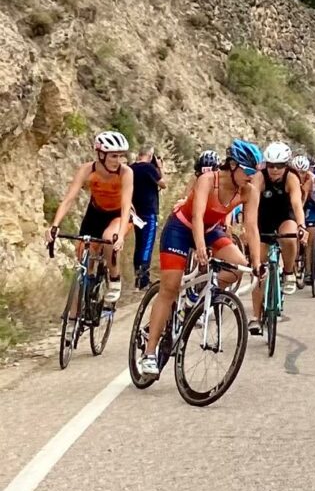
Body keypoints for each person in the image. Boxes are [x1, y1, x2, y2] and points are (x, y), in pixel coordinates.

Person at [140, 140, 264, 376]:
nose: (251, 178)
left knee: (237, 267)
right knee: (170, 287)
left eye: (254, 173)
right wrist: (199, 248)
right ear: (233, 165)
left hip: (211, 230)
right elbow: (196, 216)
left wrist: (257, 262)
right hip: (181, 228)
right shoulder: (209, 179)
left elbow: (252, 228)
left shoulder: (249, 191)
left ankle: (195, 298)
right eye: (247, 172)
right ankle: (149, 352)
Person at [47, 131, 135, 307]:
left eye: (120, 156)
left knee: (109, 238)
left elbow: (126, 205)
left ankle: (114, 277)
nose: (117, 160)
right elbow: (69, 199)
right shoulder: (88, 169)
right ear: (101, 154)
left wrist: (120, 236)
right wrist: (54, 226)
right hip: (95, 213)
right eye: (113, 156)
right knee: (82, 263)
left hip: (119, 214)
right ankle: (72, 322)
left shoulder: (126, 172)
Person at [249, 142, 306, 333]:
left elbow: (297, 204)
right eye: (271, 165)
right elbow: (253, 204)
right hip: (263, 219)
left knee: (289, 237)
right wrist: (247, 227)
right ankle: (256, 317)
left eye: (279, 166)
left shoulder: (291, 178)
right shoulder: (259, 177)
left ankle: (289, 272)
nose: (274, 170)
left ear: (286, 165)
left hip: (284, 217)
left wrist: (302, 226)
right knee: (258, 269)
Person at [130, 146, 167, 289]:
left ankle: (137, 277)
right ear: (150, 156)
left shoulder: (131, 168)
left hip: (135, 212)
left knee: (139, 244)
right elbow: (163, 184)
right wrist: (160, 167)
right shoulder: (149, 168)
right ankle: (144, 279)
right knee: (147, 245)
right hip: (149, 211)